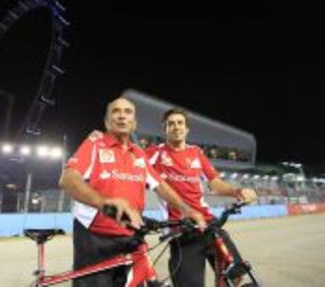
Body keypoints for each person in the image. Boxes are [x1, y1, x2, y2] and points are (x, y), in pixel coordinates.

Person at [59, 98, 205, 287]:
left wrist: (187, 209)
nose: (122, 115)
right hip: (95, 238)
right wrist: (104, 202)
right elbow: (68, 179)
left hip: (131, 235)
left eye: (128, 112)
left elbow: (160, 184)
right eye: (116, 111)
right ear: (106, 121)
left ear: (134, 123)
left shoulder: (139, 153)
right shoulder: (94, 145)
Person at [145, 108, 258, 287]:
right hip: (182, 232)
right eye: (171, 124)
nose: (176, 127)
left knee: (236, 276)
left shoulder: (196, 152)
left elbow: (215, 182)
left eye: (180, 123)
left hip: (209, 226)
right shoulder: (154, 153)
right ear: (164, 129)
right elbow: (130, 161)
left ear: (187, 129)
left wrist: (238, 192)